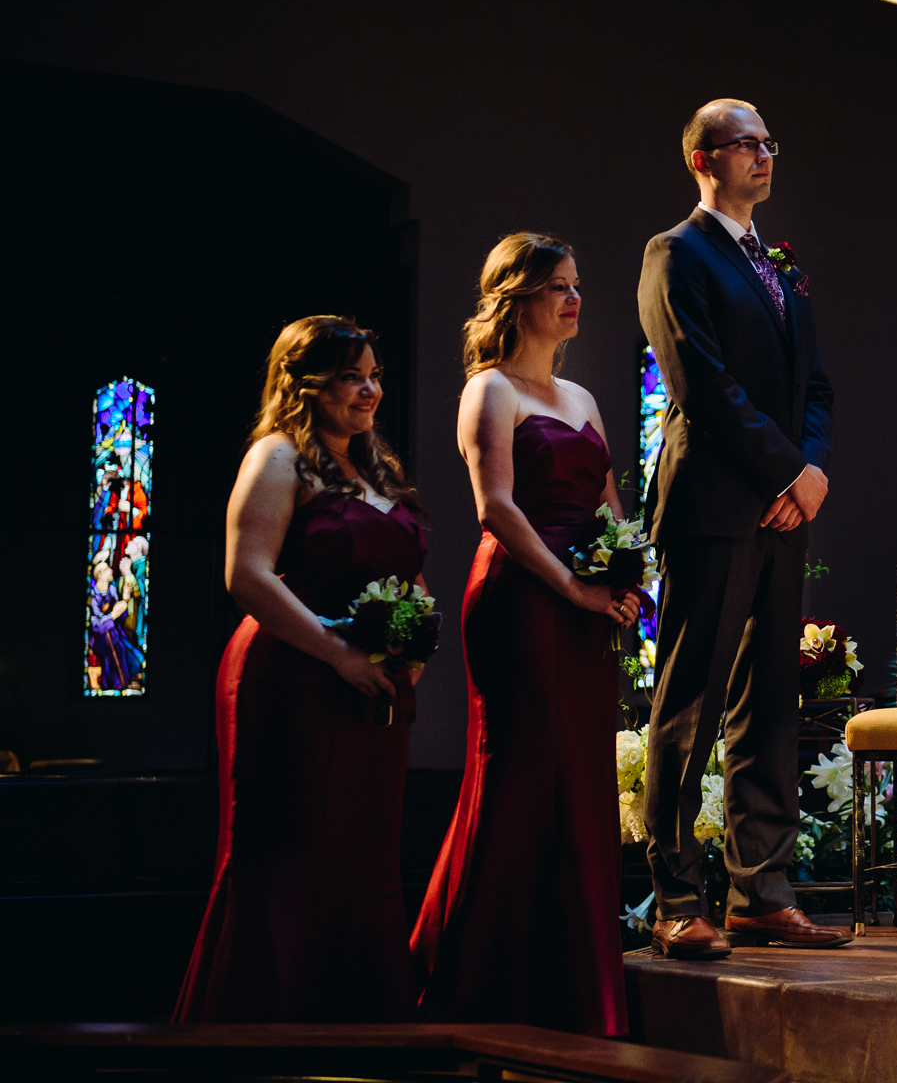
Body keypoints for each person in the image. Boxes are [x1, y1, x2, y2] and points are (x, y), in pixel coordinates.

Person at [410, 232, 634, 1034]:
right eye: (557, 287)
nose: (574, 299)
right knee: (520, 777)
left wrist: (625, 581)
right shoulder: (490, 391)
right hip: (522, 600)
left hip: (584, 608)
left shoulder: (585, 401)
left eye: (577, 285)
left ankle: (574, 991)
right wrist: (572, 585)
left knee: (583, 782)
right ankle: (474, 982)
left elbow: (610, 508)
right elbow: (496, 508)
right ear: (517, 299)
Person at [175, 315, 427, 1021]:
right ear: (306, 385)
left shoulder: (378, 469)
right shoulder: (278, 458)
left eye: (374, 374)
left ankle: (360, 1032)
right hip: (293, 677)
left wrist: (416, 657)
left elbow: (412, 578)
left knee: (364, 857)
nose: (370, 389)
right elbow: (247, 576)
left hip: (374, 690)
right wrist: (338, 654)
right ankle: (263, 1026)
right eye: (351, 376)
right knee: (288, 855)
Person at [637, 98, 843, 958]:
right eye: (746, 144)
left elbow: (817, 387)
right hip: (716, 505)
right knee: (691, 699)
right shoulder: (675, 253)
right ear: (702, 159)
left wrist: (814, 472)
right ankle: (678, 896)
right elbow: (700, 381)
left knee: (770, 702)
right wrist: (782, 470)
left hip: (785, 507)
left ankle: (762, 889)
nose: (764, 155)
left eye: (768, 143)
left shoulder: (780, 266)